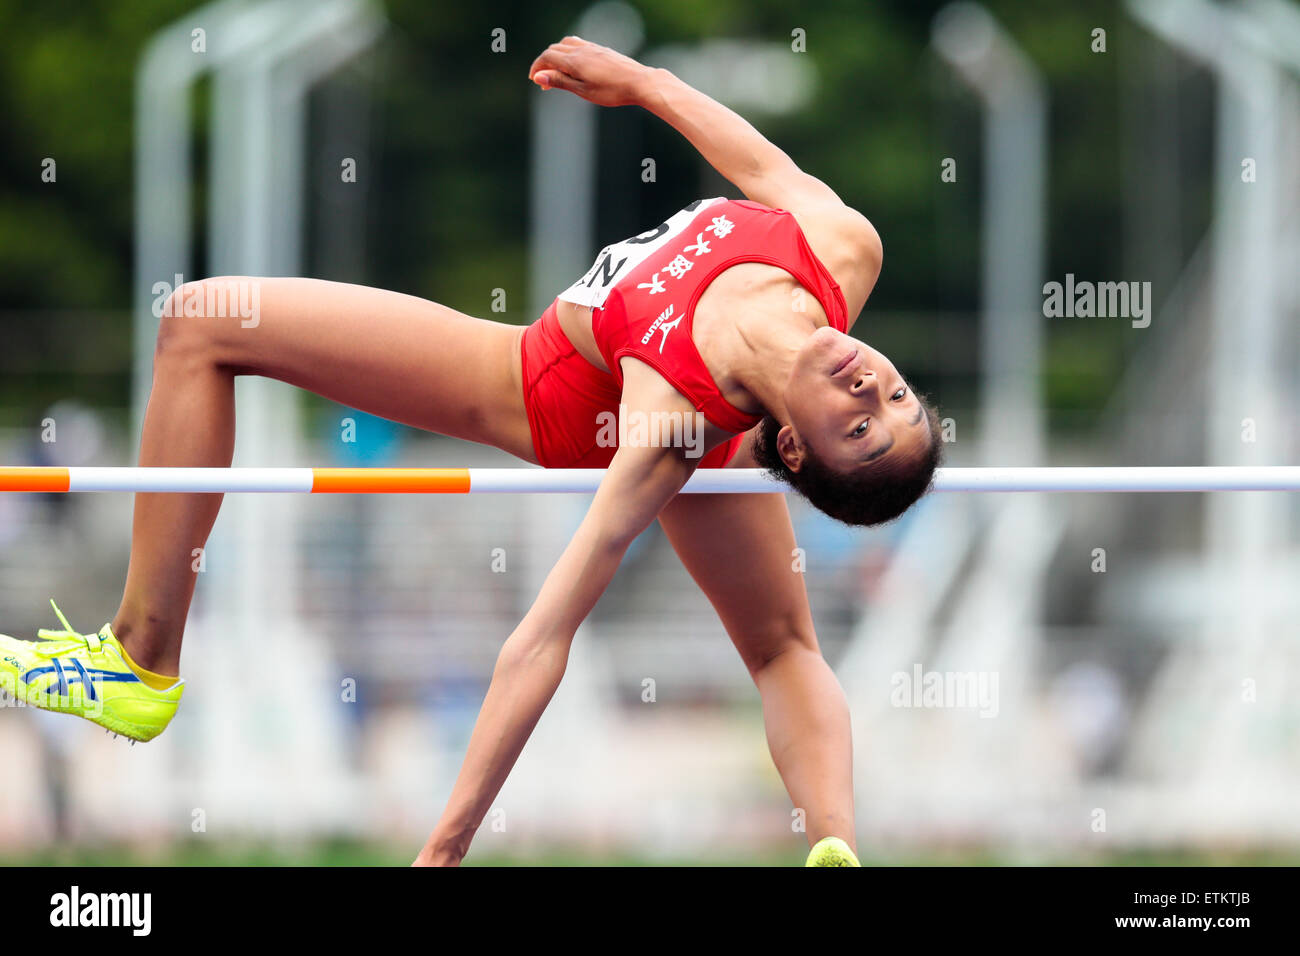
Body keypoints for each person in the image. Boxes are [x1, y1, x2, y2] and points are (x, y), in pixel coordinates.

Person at [0, 37, 941, 867]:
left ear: (791, 443)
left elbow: (541, 640)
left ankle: (136, 663)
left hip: (529, 389)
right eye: (898, 398)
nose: (873, 392)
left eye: (862, 433)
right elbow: (758, 159)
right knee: (197, 321)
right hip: (661, 393)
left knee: (201, 322)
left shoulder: (665, 424)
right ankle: (833, 846)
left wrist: (445, 845)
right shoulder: (842, 248)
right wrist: (644, 83)